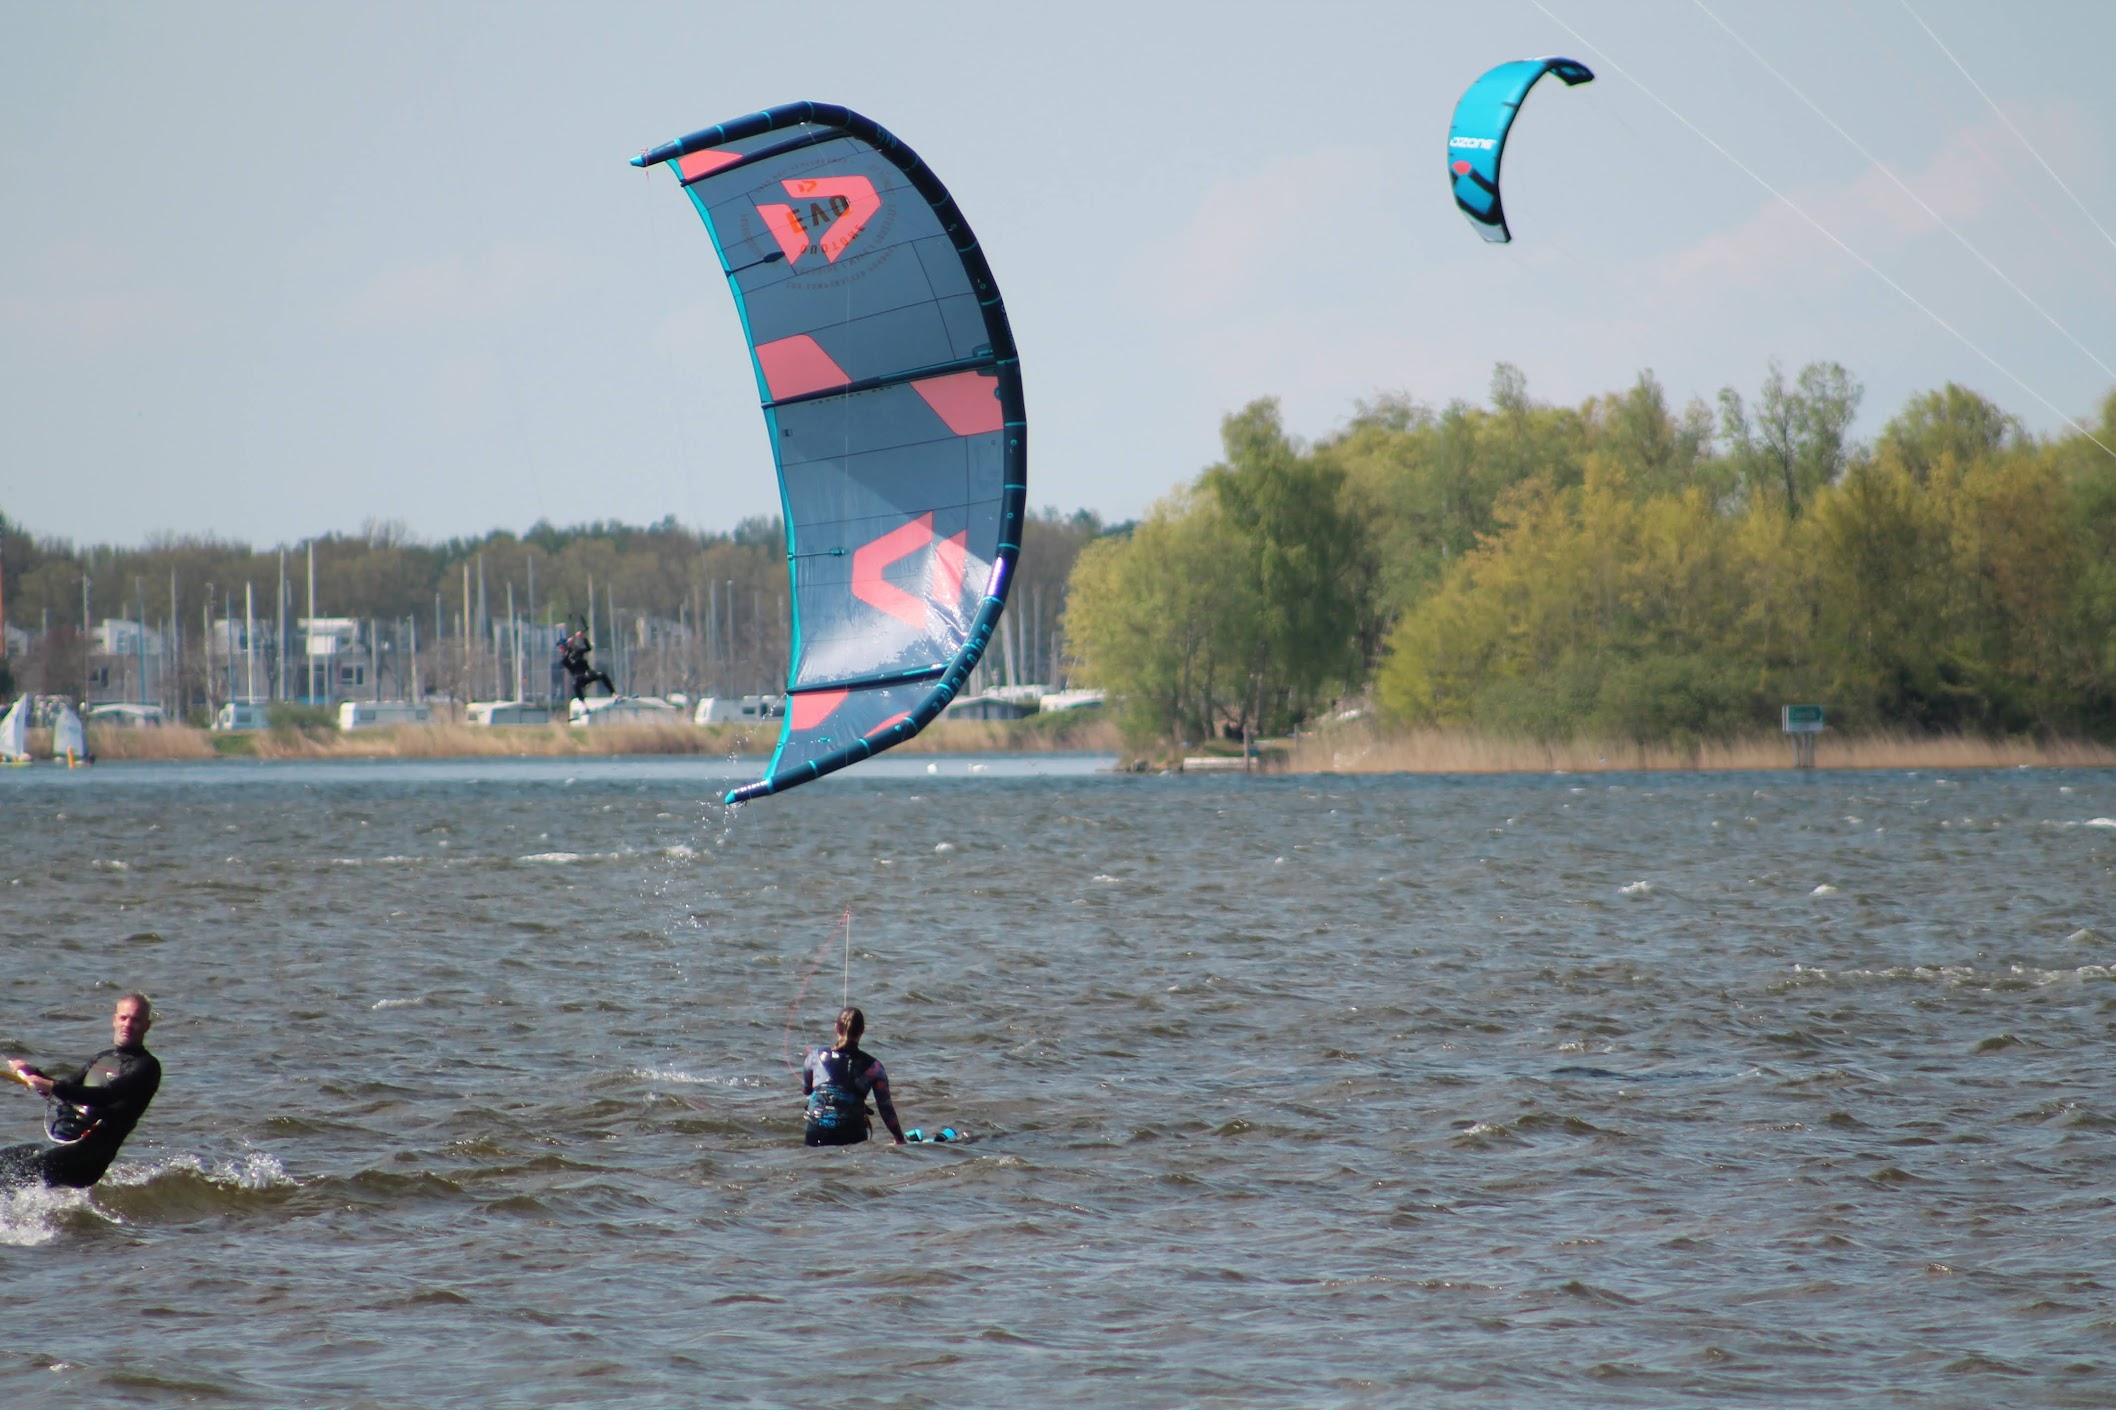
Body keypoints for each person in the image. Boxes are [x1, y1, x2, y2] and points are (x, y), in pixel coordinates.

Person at [2, 993, 162, 1190]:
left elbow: (106, 1096)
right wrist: (33, 1073)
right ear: (114, 1020)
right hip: (63, 1142)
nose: (127, 1025)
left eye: (135, 1020)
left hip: (89, 1157)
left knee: (18, 1174)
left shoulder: (146, 1066)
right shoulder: (102, 1058)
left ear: (146, 1026)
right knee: (3, 1162)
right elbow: (65, 1089)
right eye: (123, 1018)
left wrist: (50, 1085)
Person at [801, 1006, 905, 1147]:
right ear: (862, 1031)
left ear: (836, 1028)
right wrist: (899, 1139)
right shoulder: (874, 1067)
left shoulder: (815, 1057)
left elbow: (807, 1090)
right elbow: (885, 1109)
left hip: (815, 1132)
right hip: (852, 1133)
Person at [558, 624, 616, 704]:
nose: (560, 649)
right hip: (579, 677)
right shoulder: (564, 659)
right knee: (575, 685)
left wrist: (583, 638)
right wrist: (568, 646)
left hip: (587, 673)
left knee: (602, 675)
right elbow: (566, 660)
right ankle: (583, 703)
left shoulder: (576, 650)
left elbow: (588, 648)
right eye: (560, 648)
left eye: (561, 647)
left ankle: (614, 694)